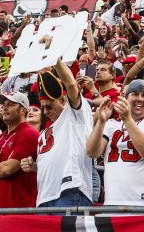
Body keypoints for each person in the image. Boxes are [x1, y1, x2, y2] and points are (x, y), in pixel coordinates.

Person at [21, 57, 94, 207]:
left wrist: (55, 58)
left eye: (49, 106)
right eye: (43, 107)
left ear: (63, 101)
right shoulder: (44, 133)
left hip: (70, 190)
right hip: (44, 195)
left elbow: (72, 85)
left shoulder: (75, 114)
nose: (45, 111)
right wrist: (33, 166)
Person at [86, 79, 144, 206]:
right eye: (135, 94)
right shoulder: (111, 124)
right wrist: (101, 121)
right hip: (111, 203)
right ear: (125, 98)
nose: (140, 98)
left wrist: (127, 119)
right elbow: (92, 152)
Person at [0, 91, 39, 208]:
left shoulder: (30, 134)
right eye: (3, 104)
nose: (4, 107)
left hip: (20, 210)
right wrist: (4, 169)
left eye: (11, 104)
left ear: (23, 110)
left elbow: (8, 168)